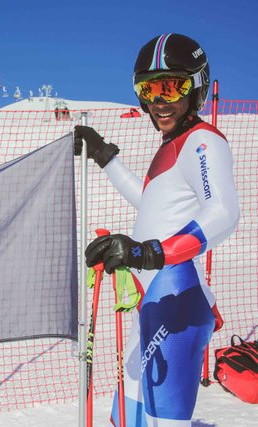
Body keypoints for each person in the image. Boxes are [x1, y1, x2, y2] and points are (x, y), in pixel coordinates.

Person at [74, 34, 239, 426]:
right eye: (149, 89)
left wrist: (147, 252)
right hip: (154, 302)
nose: (159, 100)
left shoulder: (202, 141)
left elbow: (224, 212)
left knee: (162, 421)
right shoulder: (172, 144)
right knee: (127, 418)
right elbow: (153, 204)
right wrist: (105, 157)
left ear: (197, 86)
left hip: (177, 300)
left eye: (172, 86)